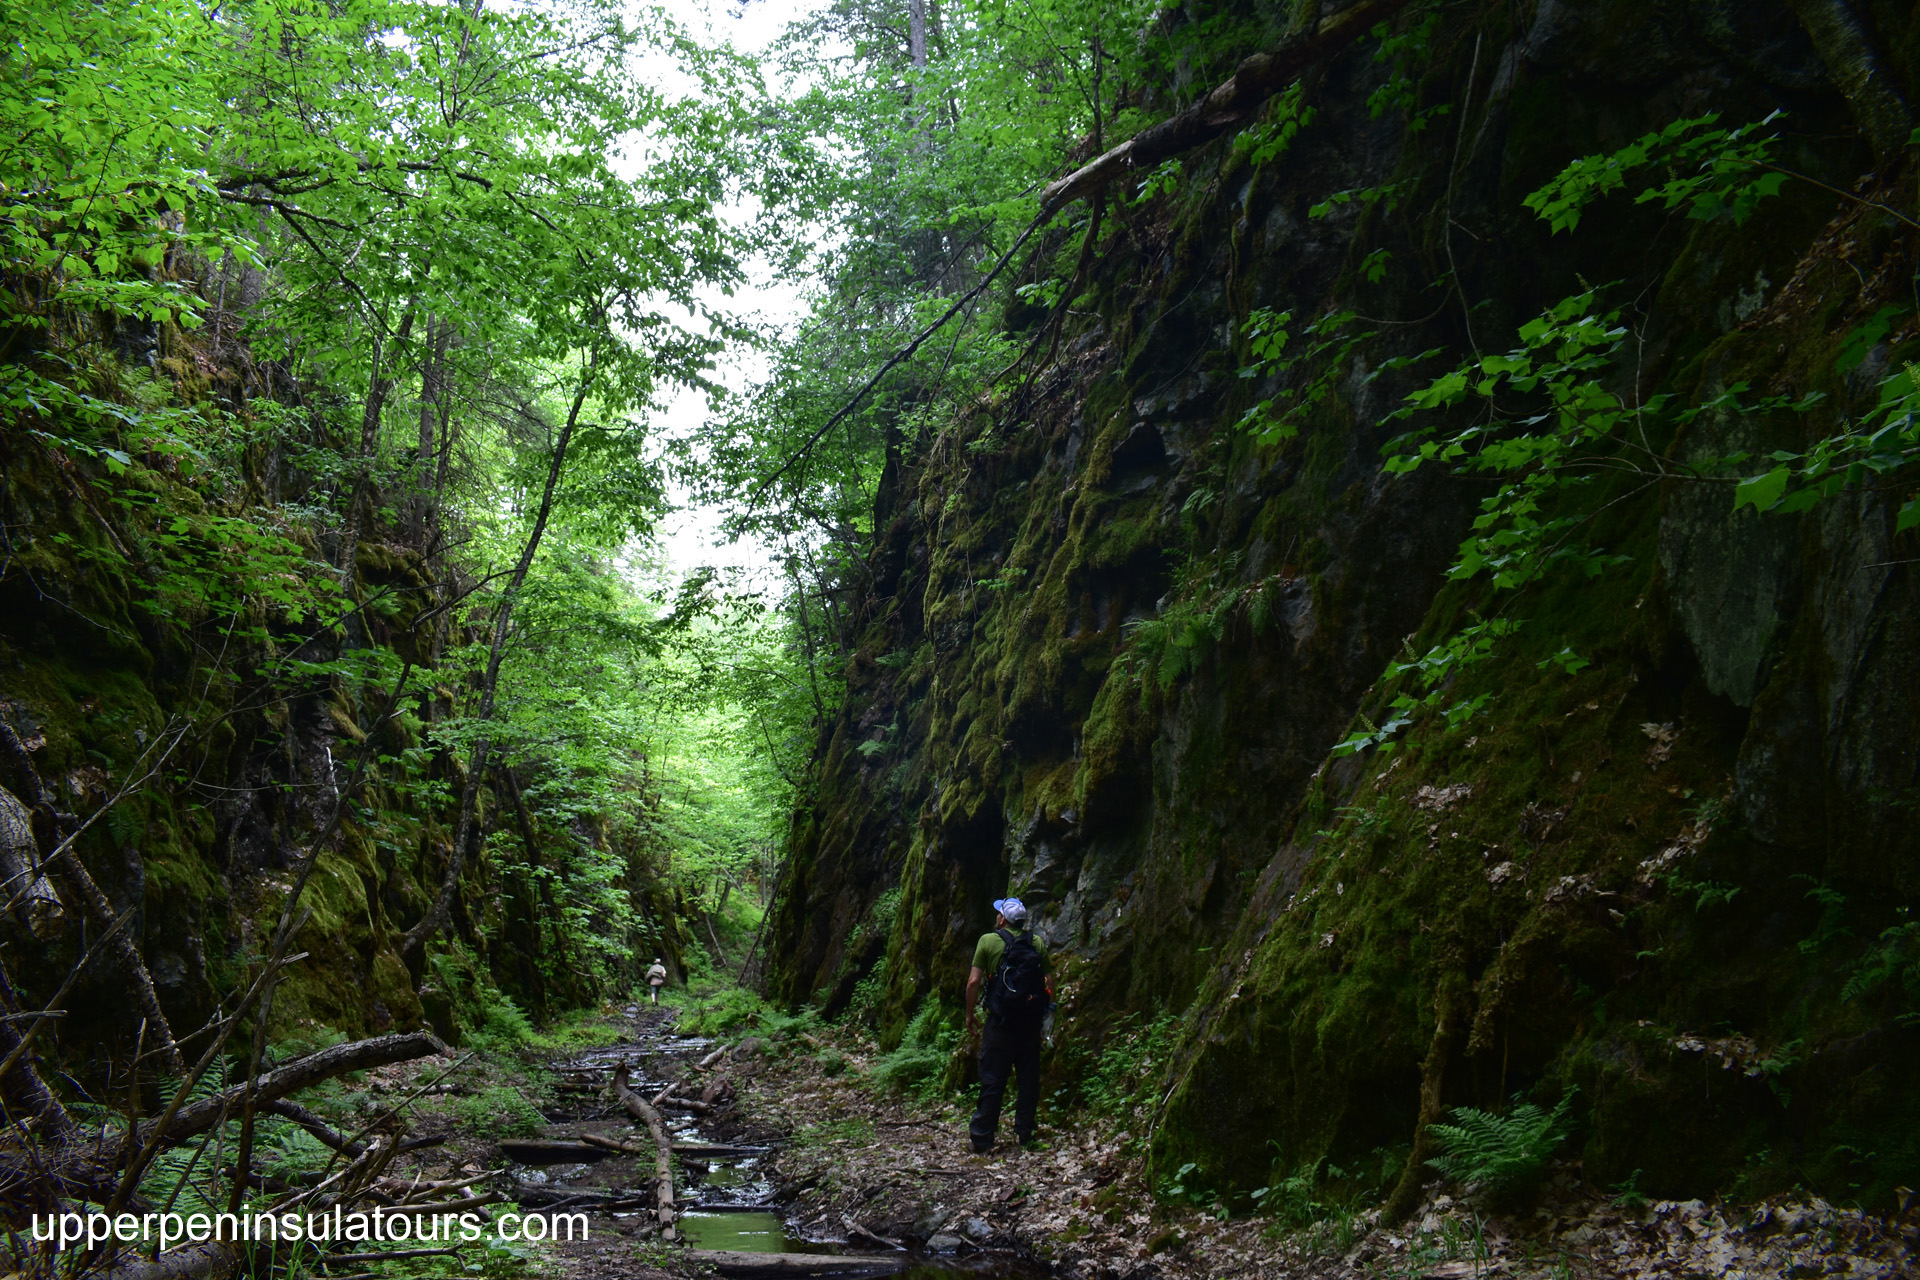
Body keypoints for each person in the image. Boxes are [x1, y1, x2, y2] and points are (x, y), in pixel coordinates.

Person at [965, 897, 1050, 1153]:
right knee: (1028, 1080)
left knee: (992, 1079)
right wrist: (1048, 1015)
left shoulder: (988, 941)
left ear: (1002, 919)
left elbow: (973, 982)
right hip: (1029, 1024)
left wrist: (969, 1014)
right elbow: (1049, 980)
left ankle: (982, 1139)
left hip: (999, 1024)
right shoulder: (1035, 942)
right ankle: (1026, 1136)